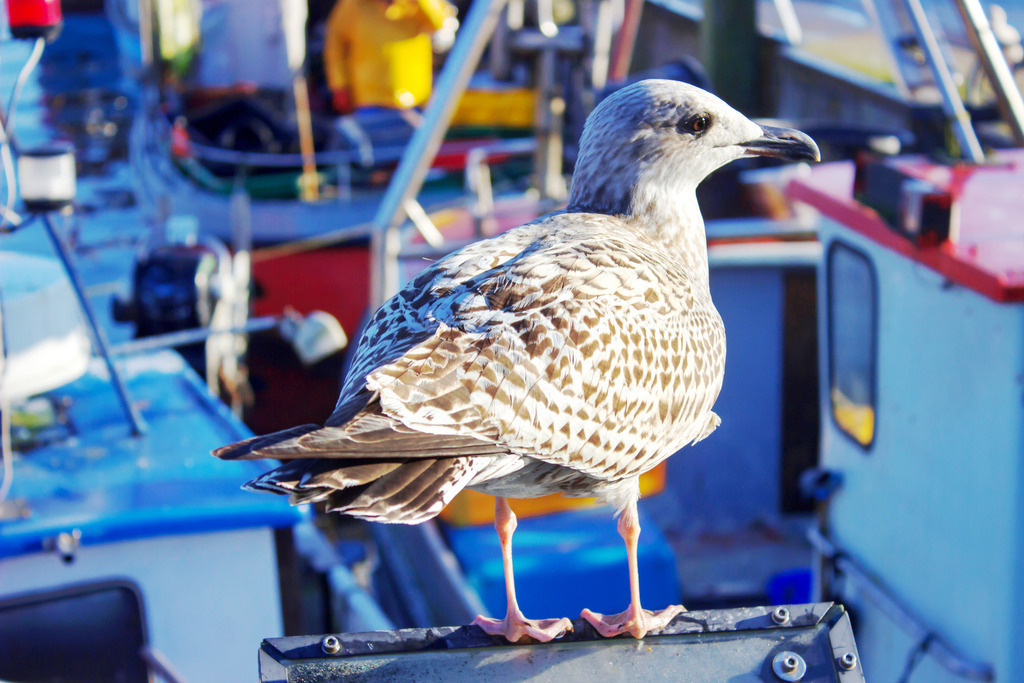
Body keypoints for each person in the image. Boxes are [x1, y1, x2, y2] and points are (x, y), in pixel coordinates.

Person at [323, 0, 456, 114]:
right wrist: (340, 85)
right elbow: (335, 47)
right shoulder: (353, 5)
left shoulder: (417, 4)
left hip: (415, 99)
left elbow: (442, 25)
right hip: (370, 100)